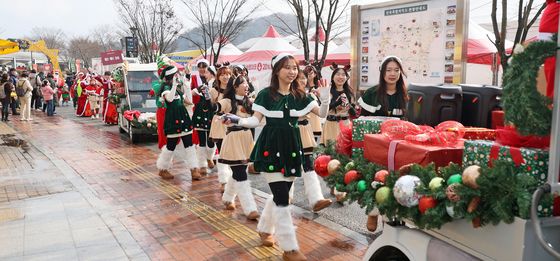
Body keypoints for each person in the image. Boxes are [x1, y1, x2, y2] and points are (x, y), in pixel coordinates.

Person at [225, 53, 330, 260]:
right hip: (270, 149)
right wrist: (237, 119)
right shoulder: (266, 95)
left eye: (294, 68)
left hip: (292, 148)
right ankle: (290, 248)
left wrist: (325, 98)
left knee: (281, 194)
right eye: (287, 67)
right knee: (283, 197)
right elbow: (255, 121)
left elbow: (323, 114)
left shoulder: (300, 95)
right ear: (276, 71)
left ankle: (265, 229)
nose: (292, 71)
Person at [357, 55, 408, 232]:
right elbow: (362, 121)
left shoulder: (406, 95)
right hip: (377, 147)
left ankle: (390, 220)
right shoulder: (372, 94)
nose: (392, 74)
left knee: (395, 181)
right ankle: (372, 213)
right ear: (382, 72)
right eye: (389, 70)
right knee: (376, 179)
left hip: (399, 148)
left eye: (396, 70)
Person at [217, 75, 259, 220]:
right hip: (234, 140)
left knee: (239, 172)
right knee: (241, 173)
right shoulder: (228, 101)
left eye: (247, 83)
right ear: (235, 87)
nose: (246, 85)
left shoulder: (250, 102)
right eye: (243, 83)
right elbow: (216, 108)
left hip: (247, 140)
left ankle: (228, 198)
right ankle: (250, 208)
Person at [290, 70, 332, 212]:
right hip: (288, 133)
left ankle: (316, 199)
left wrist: (325, 100)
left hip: (304, 131)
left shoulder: (307, 98)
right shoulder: (282, 96)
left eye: (304, 78)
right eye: (299, 78)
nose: (302, 81)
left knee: (308, 165)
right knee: (289, 166)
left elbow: (322, 113)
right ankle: (285, 196)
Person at [155, 61, 202, 181]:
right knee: (171, 146)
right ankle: (163, 168)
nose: (178, 75)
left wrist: (187, 84)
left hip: (183, 117)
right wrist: (175, 85)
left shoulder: (178, 88)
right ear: (172, 76)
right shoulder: (165, 88)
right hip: (172, 119)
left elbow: (186, 100)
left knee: (189, 144)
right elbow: (169, 99)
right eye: (176, 74)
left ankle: (194, 169)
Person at [209, 65, 233, 192]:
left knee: (232, 153)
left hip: (232, 124)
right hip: (219, 123)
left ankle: (232, 180)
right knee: (222, 153)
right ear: (218, 77)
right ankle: (224, 181)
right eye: (223, 74)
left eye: (228, 74)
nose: (226, 77)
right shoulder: (214, 91)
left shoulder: (234, 90)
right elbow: (209, 107)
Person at [319, 63, 356, 146]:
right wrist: (337, 102)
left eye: (343, 75)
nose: (341, 77)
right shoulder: (328, 92)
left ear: (346, 78)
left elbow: (354, 113)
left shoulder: (349, 93)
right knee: (331, 150)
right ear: (332, 77)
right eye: (338, 74)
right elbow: (323, 111)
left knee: (345, 151)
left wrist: (348, 105)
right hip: (331, 125)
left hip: (345, 124)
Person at [192, 65, 217, 175]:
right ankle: (202, 165)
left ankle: (209, 157)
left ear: (212, 73)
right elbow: (192, 92)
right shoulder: (203, 85)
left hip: (213, 114)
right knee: (202, 140)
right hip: (201, 113)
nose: (204, 73)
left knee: (211, 139)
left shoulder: (217, 86)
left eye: (206, 72)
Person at [303, 65, 323, 140]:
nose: (308, 75)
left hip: (315, 115)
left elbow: (322, 102)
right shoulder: (302, 87)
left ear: (315, 74)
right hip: (305, 115)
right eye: (306, 73)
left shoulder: (318, 87)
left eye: (311, 73)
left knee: (315, 137)